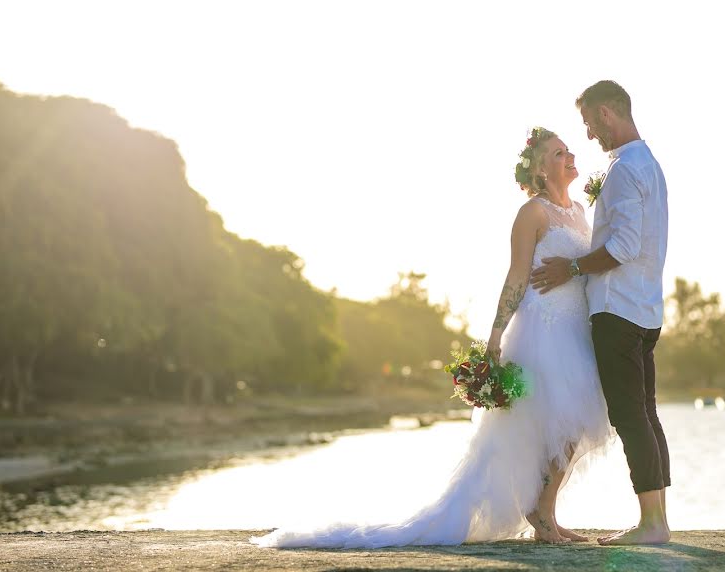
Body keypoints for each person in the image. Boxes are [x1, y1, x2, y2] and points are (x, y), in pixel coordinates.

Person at [250, 127, 615, 549]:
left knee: (572, 423)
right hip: (543, 327)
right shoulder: (532, 213)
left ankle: (545, 511)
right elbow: (516, 275)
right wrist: (495, 333)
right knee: (556, 419)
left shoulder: (579, 213)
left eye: (569, 151)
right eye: (558, 153)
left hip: (574, 326)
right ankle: (541, 514)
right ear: (538, 168)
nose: (570, 157)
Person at [531, 80, 671, 545]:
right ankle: (658, 521)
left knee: (631, 416)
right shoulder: (647, 164)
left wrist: (573, 266)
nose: (590, 134)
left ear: (608, 114)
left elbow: (625, 246)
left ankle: (652, 525)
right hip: (645, 308)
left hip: (619, 309)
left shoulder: (626, 170)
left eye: (590, 123)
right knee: (645, 414)